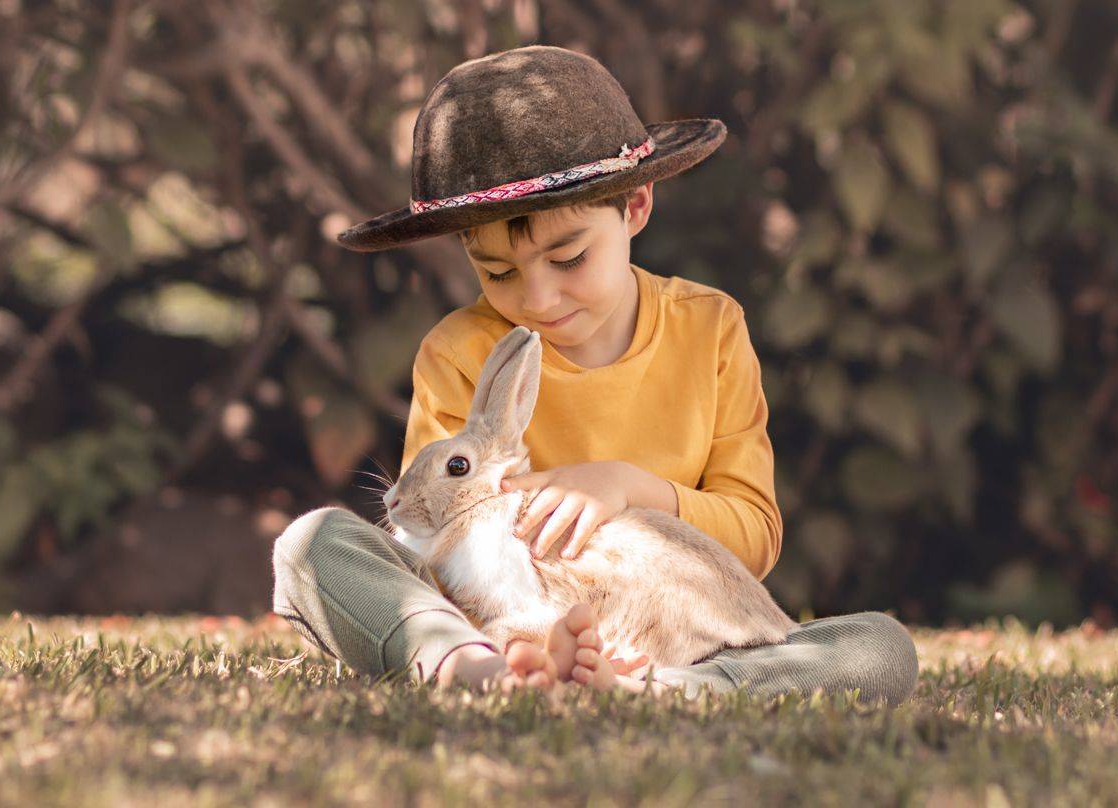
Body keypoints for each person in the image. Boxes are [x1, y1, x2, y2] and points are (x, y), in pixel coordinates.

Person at [271, 45, 919, 702]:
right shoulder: (459, 350)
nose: (538, 298)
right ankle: (477, 668)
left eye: (570, 258)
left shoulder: (710, 328)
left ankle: (669, 689)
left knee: (878, 647)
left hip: (681, 632)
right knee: (309, 545)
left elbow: (753, 538)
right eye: (498, 272)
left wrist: (627, 487)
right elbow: (430, 536)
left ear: (635, 206)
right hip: (503, 622)